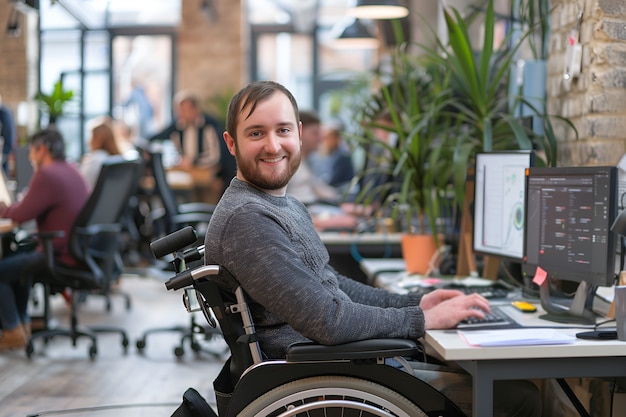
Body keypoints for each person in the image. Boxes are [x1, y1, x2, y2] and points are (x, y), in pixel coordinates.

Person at [204, 80, 541, 417]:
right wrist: (420, 319)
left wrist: (417, 302)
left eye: (283, 130)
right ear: (231, 143)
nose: (273, 145)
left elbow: (333, 286)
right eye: (256, 133)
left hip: (342, 367)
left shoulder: (282, 205)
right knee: (516, 397)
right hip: (325, 380)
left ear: (300, 133)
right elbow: (328, 320)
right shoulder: (247, 220)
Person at [0, 128, 90, 350]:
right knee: (16, 256)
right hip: (73, 250)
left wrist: (2, 208)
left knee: (3, 270)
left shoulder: (47, 174)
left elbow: (21, 214)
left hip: (58, 253)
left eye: (31, 150)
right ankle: (21, 326)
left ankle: (12, 330)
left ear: (42, 150)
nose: (29, 156)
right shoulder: (71, 169)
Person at [149, 90, 235, 202]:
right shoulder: (178, 127)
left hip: (215, 173)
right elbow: (157, 137)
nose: (182, 114)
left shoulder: (209, 125)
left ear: (196, 109)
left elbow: (216, 156)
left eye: (186, 110)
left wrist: (192, 162)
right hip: (193, 173)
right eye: (179, 111)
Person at [309, 123, 355, 191]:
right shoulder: (329, 153)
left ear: (336, 138)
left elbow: (333, 180)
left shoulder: (343, 155)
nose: (325, 141)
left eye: (328, 138)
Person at [80, 116, 122, 190]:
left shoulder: (94, 161)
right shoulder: (117, 160)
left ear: (96, 139)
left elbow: (81, 185)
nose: (88, 141)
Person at [0, 94, 17, 177]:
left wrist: (6, 153)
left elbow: (9, 134)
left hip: (4, 151)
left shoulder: (4, 113)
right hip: (4, 150)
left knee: (3, 175)